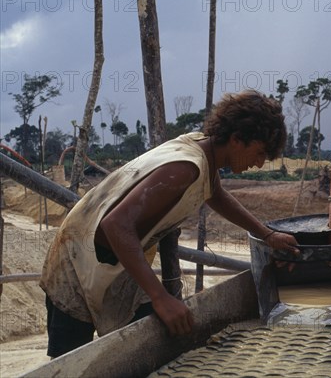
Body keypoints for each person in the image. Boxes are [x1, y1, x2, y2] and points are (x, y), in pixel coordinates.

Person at [40, 90, 300, 358]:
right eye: (258, 153)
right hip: (76, 257)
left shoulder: (202, 149)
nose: (258, 164)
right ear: (236, 139)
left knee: (147, 343)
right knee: (70, 361)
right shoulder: (184, 168)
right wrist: (160, 297)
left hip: (119, 262)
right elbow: (116, 225)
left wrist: (267, 235)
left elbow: (217, 194)